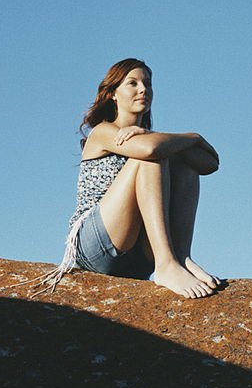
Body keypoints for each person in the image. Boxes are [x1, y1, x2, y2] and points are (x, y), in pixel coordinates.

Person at [29, 58, 221, 299]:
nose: (143, 90)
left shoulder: (153, 139)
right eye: (132, 83)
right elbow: (150, 151)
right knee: (150, 159)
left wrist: (184, 138)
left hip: (137, 258)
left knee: (185, 166)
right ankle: (166, 264)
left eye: (147, 84)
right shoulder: (103, 132)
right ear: (113, 94)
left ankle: (180, 258)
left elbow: (208, 164)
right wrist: (193, 137)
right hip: (95, 248)